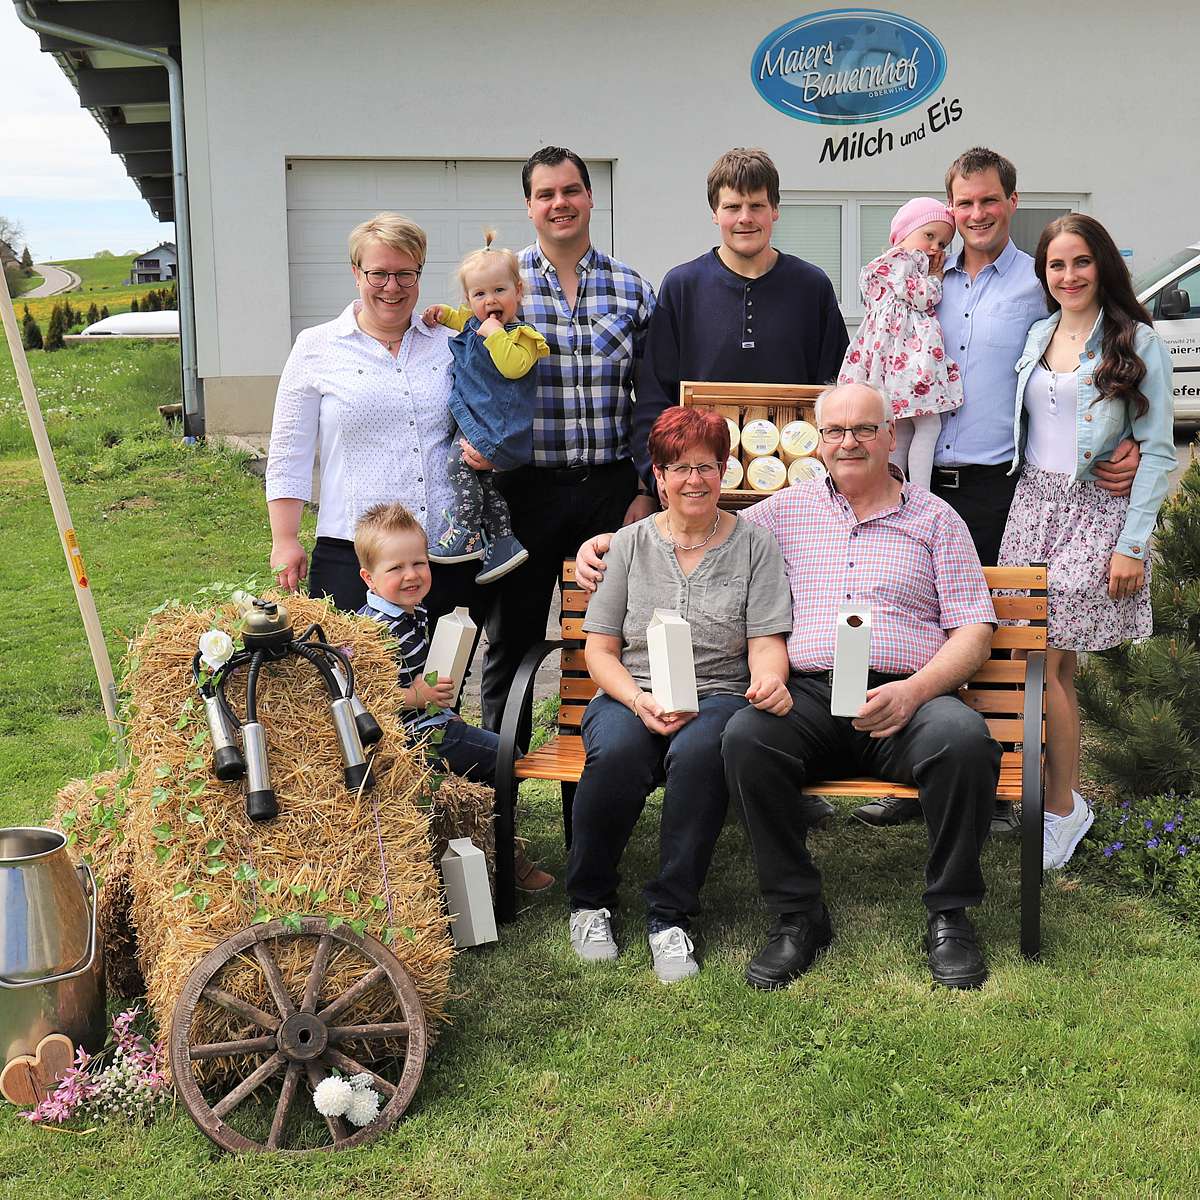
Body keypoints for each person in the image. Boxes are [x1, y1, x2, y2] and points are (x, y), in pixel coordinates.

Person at [576, 384, 1002, 991]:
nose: (848, 442)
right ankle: (796, 913)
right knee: (746, 737)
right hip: (809, 692)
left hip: (907, 697)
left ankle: (950, 915)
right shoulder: (785, 510)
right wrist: (605, 545)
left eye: (863, 430)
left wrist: (915, 691)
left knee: (964, 742)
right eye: (834, 431)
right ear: (820, 441)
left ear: (889, 437)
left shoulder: (936, 520)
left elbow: (974, 630)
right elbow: (694, 522)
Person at [854, 147, 1137, 834]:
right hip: (916, 485)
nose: (976, 214)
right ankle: (906, 774)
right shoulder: (923, 275)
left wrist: (1125, 437)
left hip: (1002, 490)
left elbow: (1101, 350)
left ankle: (1007, 787)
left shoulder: (1040, 282)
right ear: (949, 207)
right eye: (964, 203)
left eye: (988, 201)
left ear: (1011, 201)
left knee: (1006, 644)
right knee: (913, 625)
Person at [567, 407, 792, 984]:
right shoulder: (629, 545)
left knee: (699, 754)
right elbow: (599, 651)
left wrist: (770, 677)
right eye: (679, 468)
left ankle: (669, 915)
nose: (695, 480)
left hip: (716, 692)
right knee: (616, 753)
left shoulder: (755, 546)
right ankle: (589, 904)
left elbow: (766, 641)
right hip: (630, 689)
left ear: (725, 472)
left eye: (707, 466)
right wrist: (639, 702)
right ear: (659, 477)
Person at [998, 214, 1176, 871]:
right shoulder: (1040, 333)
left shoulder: (1137, 341)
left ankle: (1062, 808)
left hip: (1093, 515)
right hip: (1031, 508)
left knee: (1044, 661)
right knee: (1049, 665)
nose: (1068, 276)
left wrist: (1133, 542)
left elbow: (1157, 452)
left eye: (1080, 262)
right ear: (1044, 274)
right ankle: (1056, 799)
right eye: (1056, 265)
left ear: (1102, 265)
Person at [478, 147, 657, 743]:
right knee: (513, 641)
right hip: (523, 492)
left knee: (601, 640)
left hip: (608, 494)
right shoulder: (503, 285)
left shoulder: (632, 288)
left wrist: (641, 489)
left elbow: (651, 398)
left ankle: (590, 794)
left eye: (571, 191)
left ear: (589, 197)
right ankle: (494, 796)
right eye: (546, 194)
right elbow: (467, 373)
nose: (561, 204)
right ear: (529, 205)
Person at [265, 212, 488, 626]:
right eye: (379, 274)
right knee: (353, 682)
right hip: (352, 554)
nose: (392, 287)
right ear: (356, 272)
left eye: (406, 274)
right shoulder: (317, 346)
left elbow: (484, 414)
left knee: (441, 683)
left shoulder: (450, 344)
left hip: (440, 551)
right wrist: (285, 539)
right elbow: (287, 452)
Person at [353, 502, 553, 893]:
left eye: (419, 563)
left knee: (483, 762)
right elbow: (365, 696)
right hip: (412, 739)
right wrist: (417, 696)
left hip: (432, 726)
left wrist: (441, 711)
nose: (411, 575)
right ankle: (506, 852)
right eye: (395, 569)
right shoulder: (373, 628)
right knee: (506, 755)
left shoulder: (412, 611)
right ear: (369, 578)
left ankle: (480, 841)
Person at [631, 147, 848, 492]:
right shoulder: (682, 286)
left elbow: (839, 388)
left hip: (798, 490)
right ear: (715, 213)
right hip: (700, 489)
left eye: (757, 205)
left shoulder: (812, 286)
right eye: (732, 207)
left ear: (775, 210)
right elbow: (656, 394)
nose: (745, 217)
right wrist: (652, 474)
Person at [421, 231, 549, 584]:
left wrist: (495, 333)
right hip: (476, 420)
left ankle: (465, 531)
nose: (490, 300)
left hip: (496, 428)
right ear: (469, 299)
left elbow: (512, 367)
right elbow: (459, 319)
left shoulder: (524, 337)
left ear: (518, 292)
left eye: (499, 290)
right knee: (484, 483)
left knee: (456, 465)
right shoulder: (473, 322)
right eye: (480, 294)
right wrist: (441, 313)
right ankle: (504, 541)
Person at [837, 197, 963, 489]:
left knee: (903, 428)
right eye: (929, 236)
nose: (935, 248)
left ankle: (898, 487)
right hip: (907, 360)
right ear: (903, 234)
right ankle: (920, 492)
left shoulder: (888, 264)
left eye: (943, 244)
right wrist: (935, 278)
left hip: (892, 364)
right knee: (929, 424)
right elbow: (922, 297)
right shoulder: (905, 259)